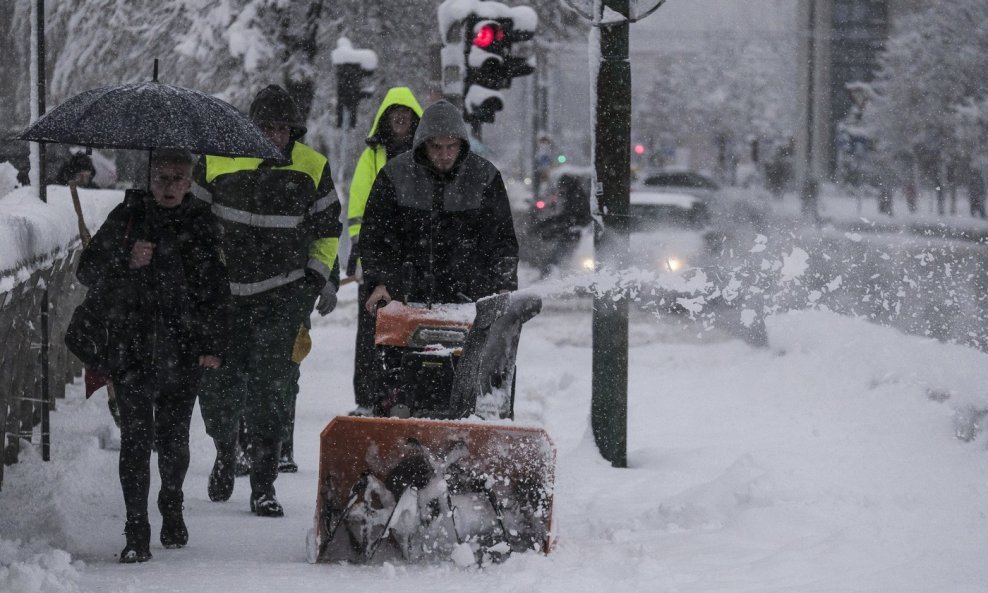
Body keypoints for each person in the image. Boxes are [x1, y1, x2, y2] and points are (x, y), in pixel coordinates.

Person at [75, 148, 230, 563]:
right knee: (136, 442)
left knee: (174, 441)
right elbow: (86, 271)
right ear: (148, 177)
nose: (169, 186)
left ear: (190, 181)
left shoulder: (201, 223)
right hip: (132, 349)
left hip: (183, 351)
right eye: (161, 177)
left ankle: (172, 502)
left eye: (178, 178)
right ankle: (135, 529)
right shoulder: (127, 218)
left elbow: (217, 290)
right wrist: (126, 260)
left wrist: (213, 345)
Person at [195, 84, 341, 517]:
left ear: (293, 130)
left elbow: (328, 230)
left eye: (282, 128)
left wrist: (313, 280)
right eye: (266, 127)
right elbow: (193, 220)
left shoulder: (313, 166)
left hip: (283, 297)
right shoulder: (218, 159)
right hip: (225, 298)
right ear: (250, 126)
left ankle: (263, 484)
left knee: (272, 393)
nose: (274, 135)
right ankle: (226, 451)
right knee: (218, 388)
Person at [359, 98, 518, 347]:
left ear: (461, 145)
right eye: (436, 147)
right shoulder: (395, 175)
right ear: (423, 145)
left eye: (451, 147)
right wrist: (378, 282)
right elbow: (375, 236)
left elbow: (501, 239)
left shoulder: (484, 177)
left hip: (469, 302)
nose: (444, 155)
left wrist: (503, 286)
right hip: (408, 300)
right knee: (401, 376)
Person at [346, 86, 423, 415]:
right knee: (371, 332)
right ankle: (368, 397)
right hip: (379, 259)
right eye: (395, 113)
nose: (401, 118)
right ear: (386, 119)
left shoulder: (423, 155)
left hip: (413, 259)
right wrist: (359, 248)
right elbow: (359, 206)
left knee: (408, 329)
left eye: (405, 113)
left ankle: (402, 393)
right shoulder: (372, 157)